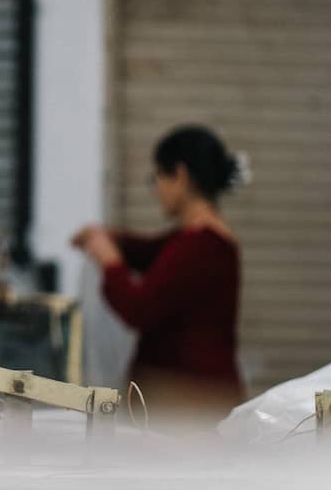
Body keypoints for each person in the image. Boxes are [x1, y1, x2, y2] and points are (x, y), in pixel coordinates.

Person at [72, 125, 248, 420]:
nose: (156, 190)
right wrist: (112, 241)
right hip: (186, 399)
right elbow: (152, 252)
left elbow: (138, 308)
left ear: (179, 175)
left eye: (157, 178)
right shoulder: (198, 240)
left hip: (191, 406)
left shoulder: (203, 245)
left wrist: (109, 260)